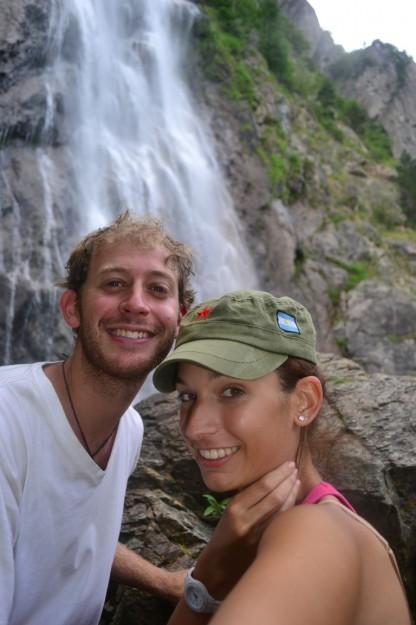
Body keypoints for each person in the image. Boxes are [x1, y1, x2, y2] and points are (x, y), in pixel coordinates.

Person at [0, 214, 299, 625]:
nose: (136, 304)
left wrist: (162, 582)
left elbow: (74, 537)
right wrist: (208, 579)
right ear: (72, 308)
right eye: (114, 283)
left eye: (156, 289)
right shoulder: (7, 422)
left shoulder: (129, 429)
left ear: (180, 318)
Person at [152, 289, 413, 625]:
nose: (195, 427)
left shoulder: (315, 533)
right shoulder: (312, 523)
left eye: (232, 391)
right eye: (188, 396)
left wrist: (212, 568)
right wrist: (208, 576)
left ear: (304, 401)